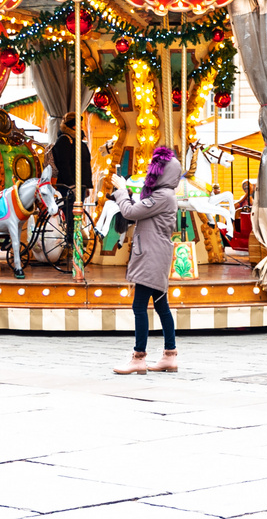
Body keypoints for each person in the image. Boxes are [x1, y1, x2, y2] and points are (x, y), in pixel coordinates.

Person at [110, 145, 181, 375]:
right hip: (155, 254)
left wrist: (121, 190)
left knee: (139, 306)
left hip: (151, 255)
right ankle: (170, 355)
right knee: (161, 305)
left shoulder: (162, 196)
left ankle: (138, 358)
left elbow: (130, 212)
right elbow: (138, 208)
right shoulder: (164, 195)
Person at [51, 113, 93, 242]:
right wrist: (71, 184)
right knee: (70, 214)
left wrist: (86, 185)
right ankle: (71, 240)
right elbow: (64, 165)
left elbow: (84, 164)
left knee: (75, 214)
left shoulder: (77, 141)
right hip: (70, 184)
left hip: (80, 184)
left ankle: (74, 238)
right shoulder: (65, 140)